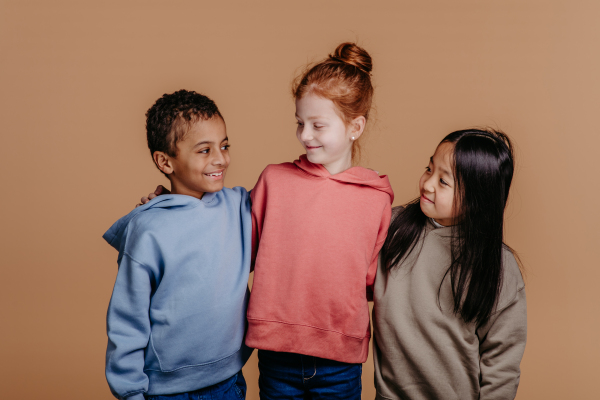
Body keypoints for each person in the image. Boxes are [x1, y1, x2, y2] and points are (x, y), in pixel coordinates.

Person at [247, 43, 394, 399]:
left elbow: (375, 281)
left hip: (340, 363)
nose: (305, 135)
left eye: (318, 125)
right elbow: (235, 242)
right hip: (276, 354)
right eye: (300, 123)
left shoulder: (375, 197)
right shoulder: (273, 181)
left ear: (355, 127)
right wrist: (177, 199)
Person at [103, 90, 252, 400]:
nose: (220, 158)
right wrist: (130, 392)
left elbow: (288, 200)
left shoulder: (238, 206)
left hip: (229, 382)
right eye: (204, 150)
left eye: (224, 145)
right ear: (165, 161)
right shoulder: (149, 232)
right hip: (168, 392)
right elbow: (127, 320)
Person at [373, 129, 527, 400]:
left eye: (443, 181)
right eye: (428, 169)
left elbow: (502, 362)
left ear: (477, 199)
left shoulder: (498, 265)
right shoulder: (393, 229)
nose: (428, 183)